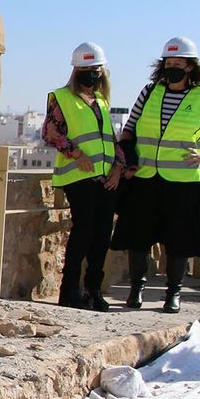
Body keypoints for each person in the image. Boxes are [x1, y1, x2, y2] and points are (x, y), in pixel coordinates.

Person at [111, 36, 200, 312]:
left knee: (178, 240)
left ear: (190, 67)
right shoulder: (150, 92)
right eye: (168, 63)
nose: (172, 67)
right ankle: (137, 289)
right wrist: (129, 159)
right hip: (146, 176)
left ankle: (173, 293)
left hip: (183, 180)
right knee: (138, 236)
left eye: (178, 64)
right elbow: (130, 128)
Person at [43, 42, 125, 310]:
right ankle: (69, 292)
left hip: (105, 179)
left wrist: (117, 167)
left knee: (102, 235)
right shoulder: (62, 97)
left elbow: (110, 139)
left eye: (95, 69)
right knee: (83, 232)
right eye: (85, 69)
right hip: (79, 177)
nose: (91, 73)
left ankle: (94, 291)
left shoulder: (101, 101)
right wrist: (78, 155)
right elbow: (51, 133)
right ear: (76, 70)